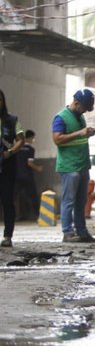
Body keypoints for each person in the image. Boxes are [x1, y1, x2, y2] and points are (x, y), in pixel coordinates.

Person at [52, 88, 95, 243]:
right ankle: (67, 232)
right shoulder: (60, 118)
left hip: (82, 165)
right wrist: (80, 133)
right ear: (76, 103)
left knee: (81, 201)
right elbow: (57, 139)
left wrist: (88, 133)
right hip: (69, 166)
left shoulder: (80, 118)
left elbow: (79, 138)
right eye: (84, 108)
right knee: (69, 200)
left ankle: (82, 232)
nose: (85, 111)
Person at [0, 90, 25, 247]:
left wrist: (10, 152)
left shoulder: (12, 120)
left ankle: (8, 236)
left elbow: (20, 140)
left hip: (7, 166)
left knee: (7, 201)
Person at [15, 129, 42, 223]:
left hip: (17, 176)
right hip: (27, 176)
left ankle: (19, 215)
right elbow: (29, 163)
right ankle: (39, 215)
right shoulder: (30, 149)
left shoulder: (17, 148)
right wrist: (38, 168)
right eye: (33, 138)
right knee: (33, 195)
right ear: (30, 138)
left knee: (15, 196)